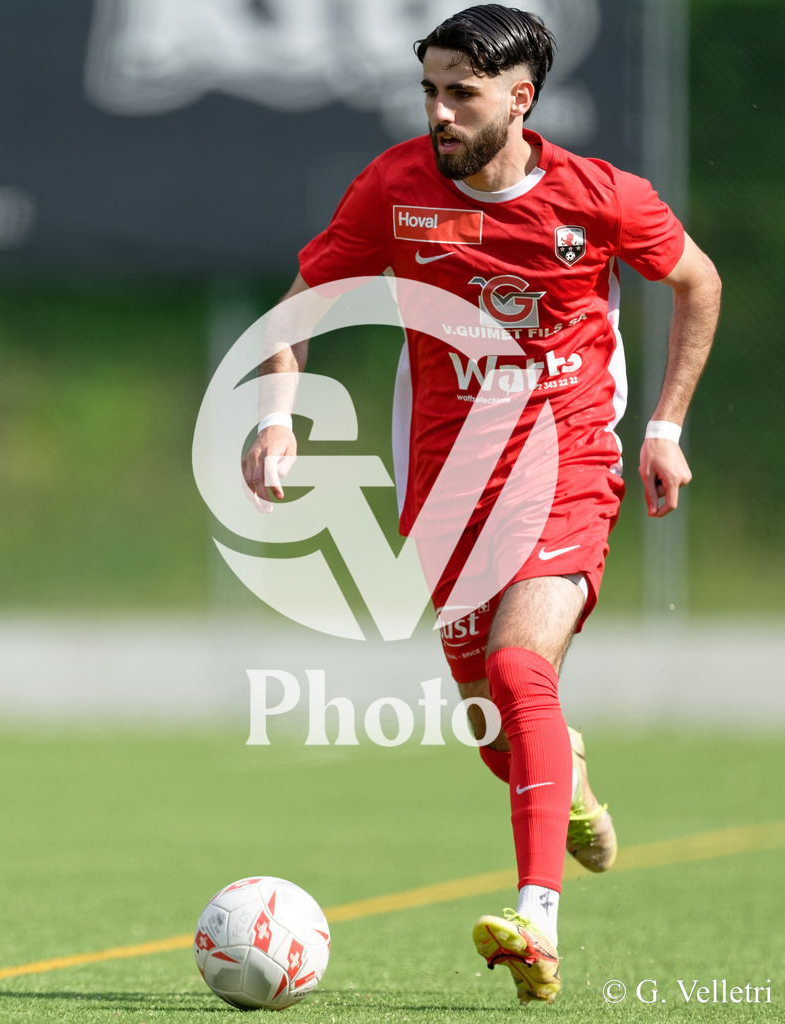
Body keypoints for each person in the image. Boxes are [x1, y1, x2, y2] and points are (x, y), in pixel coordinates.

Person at [242, 4, 721, 1006]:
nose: (440, 111)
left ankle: (535, 923)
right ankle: (571, 779)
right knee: (493, 730)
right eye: (431, 90)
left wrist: (665, 427)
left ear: (520, 98)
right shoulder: (396, 189)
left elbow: (696, 279)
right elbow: (299, 303)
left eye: (462, 92)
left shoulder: (599, 197)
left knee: (517, 665)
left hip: (571, 458)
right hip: (450, 485)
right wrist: (278, 416)